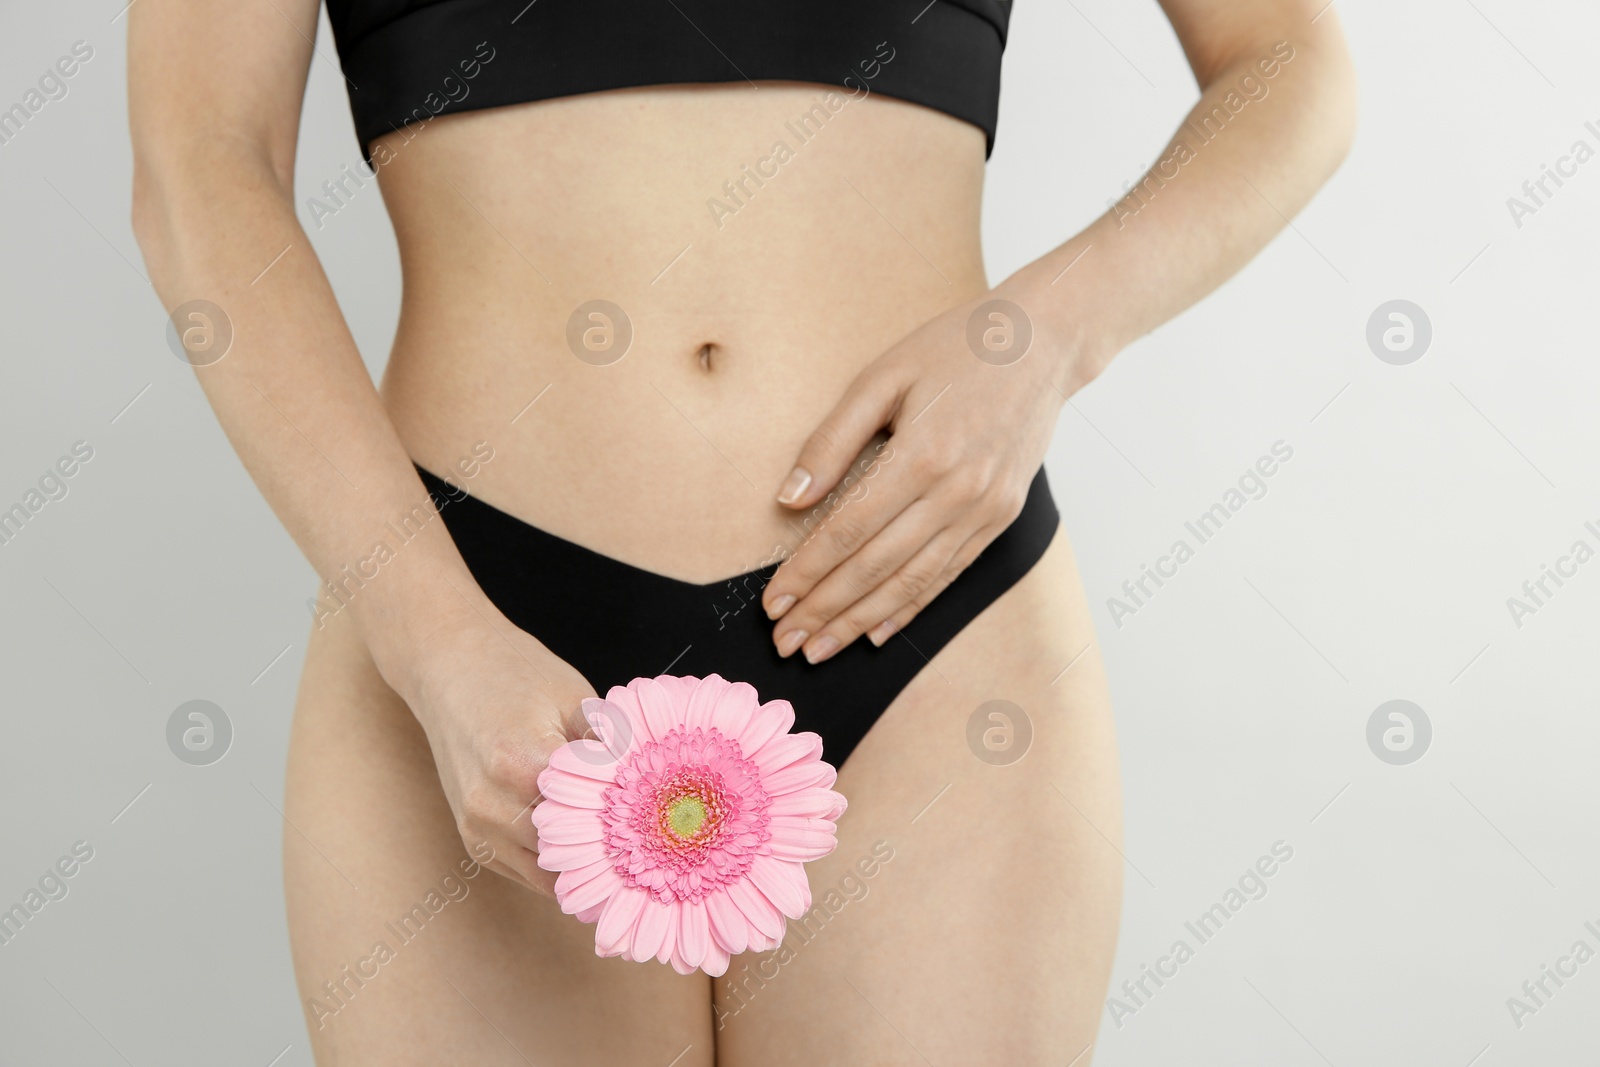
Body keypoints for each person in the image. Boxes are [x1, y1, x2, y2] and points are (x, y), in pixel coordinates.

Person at [128, 0, 1354, 1061]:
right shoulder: (446, 639)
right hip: (468, 618)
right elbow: (200, 166)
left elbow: (1289, 62)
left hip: (924, 608)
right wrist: (434, 640)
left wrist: (1046, 335)